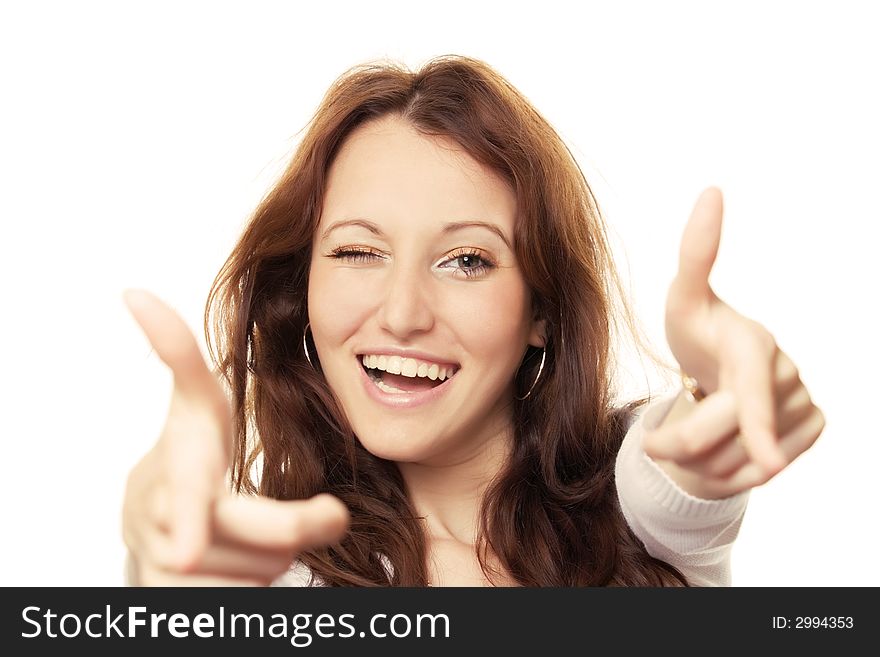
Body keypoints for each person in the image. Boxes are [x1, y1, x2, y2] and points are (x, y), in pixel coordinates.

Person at [122, 56, 825, 587]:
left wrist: (721, 404)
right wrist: (151, 546)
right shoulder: (274, 572)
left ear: (541, 311)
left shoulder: (636, 521)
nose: (401, 314)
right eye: (358, 251)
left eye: (465, 261)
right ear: (301, 285)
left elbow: (669, 476)